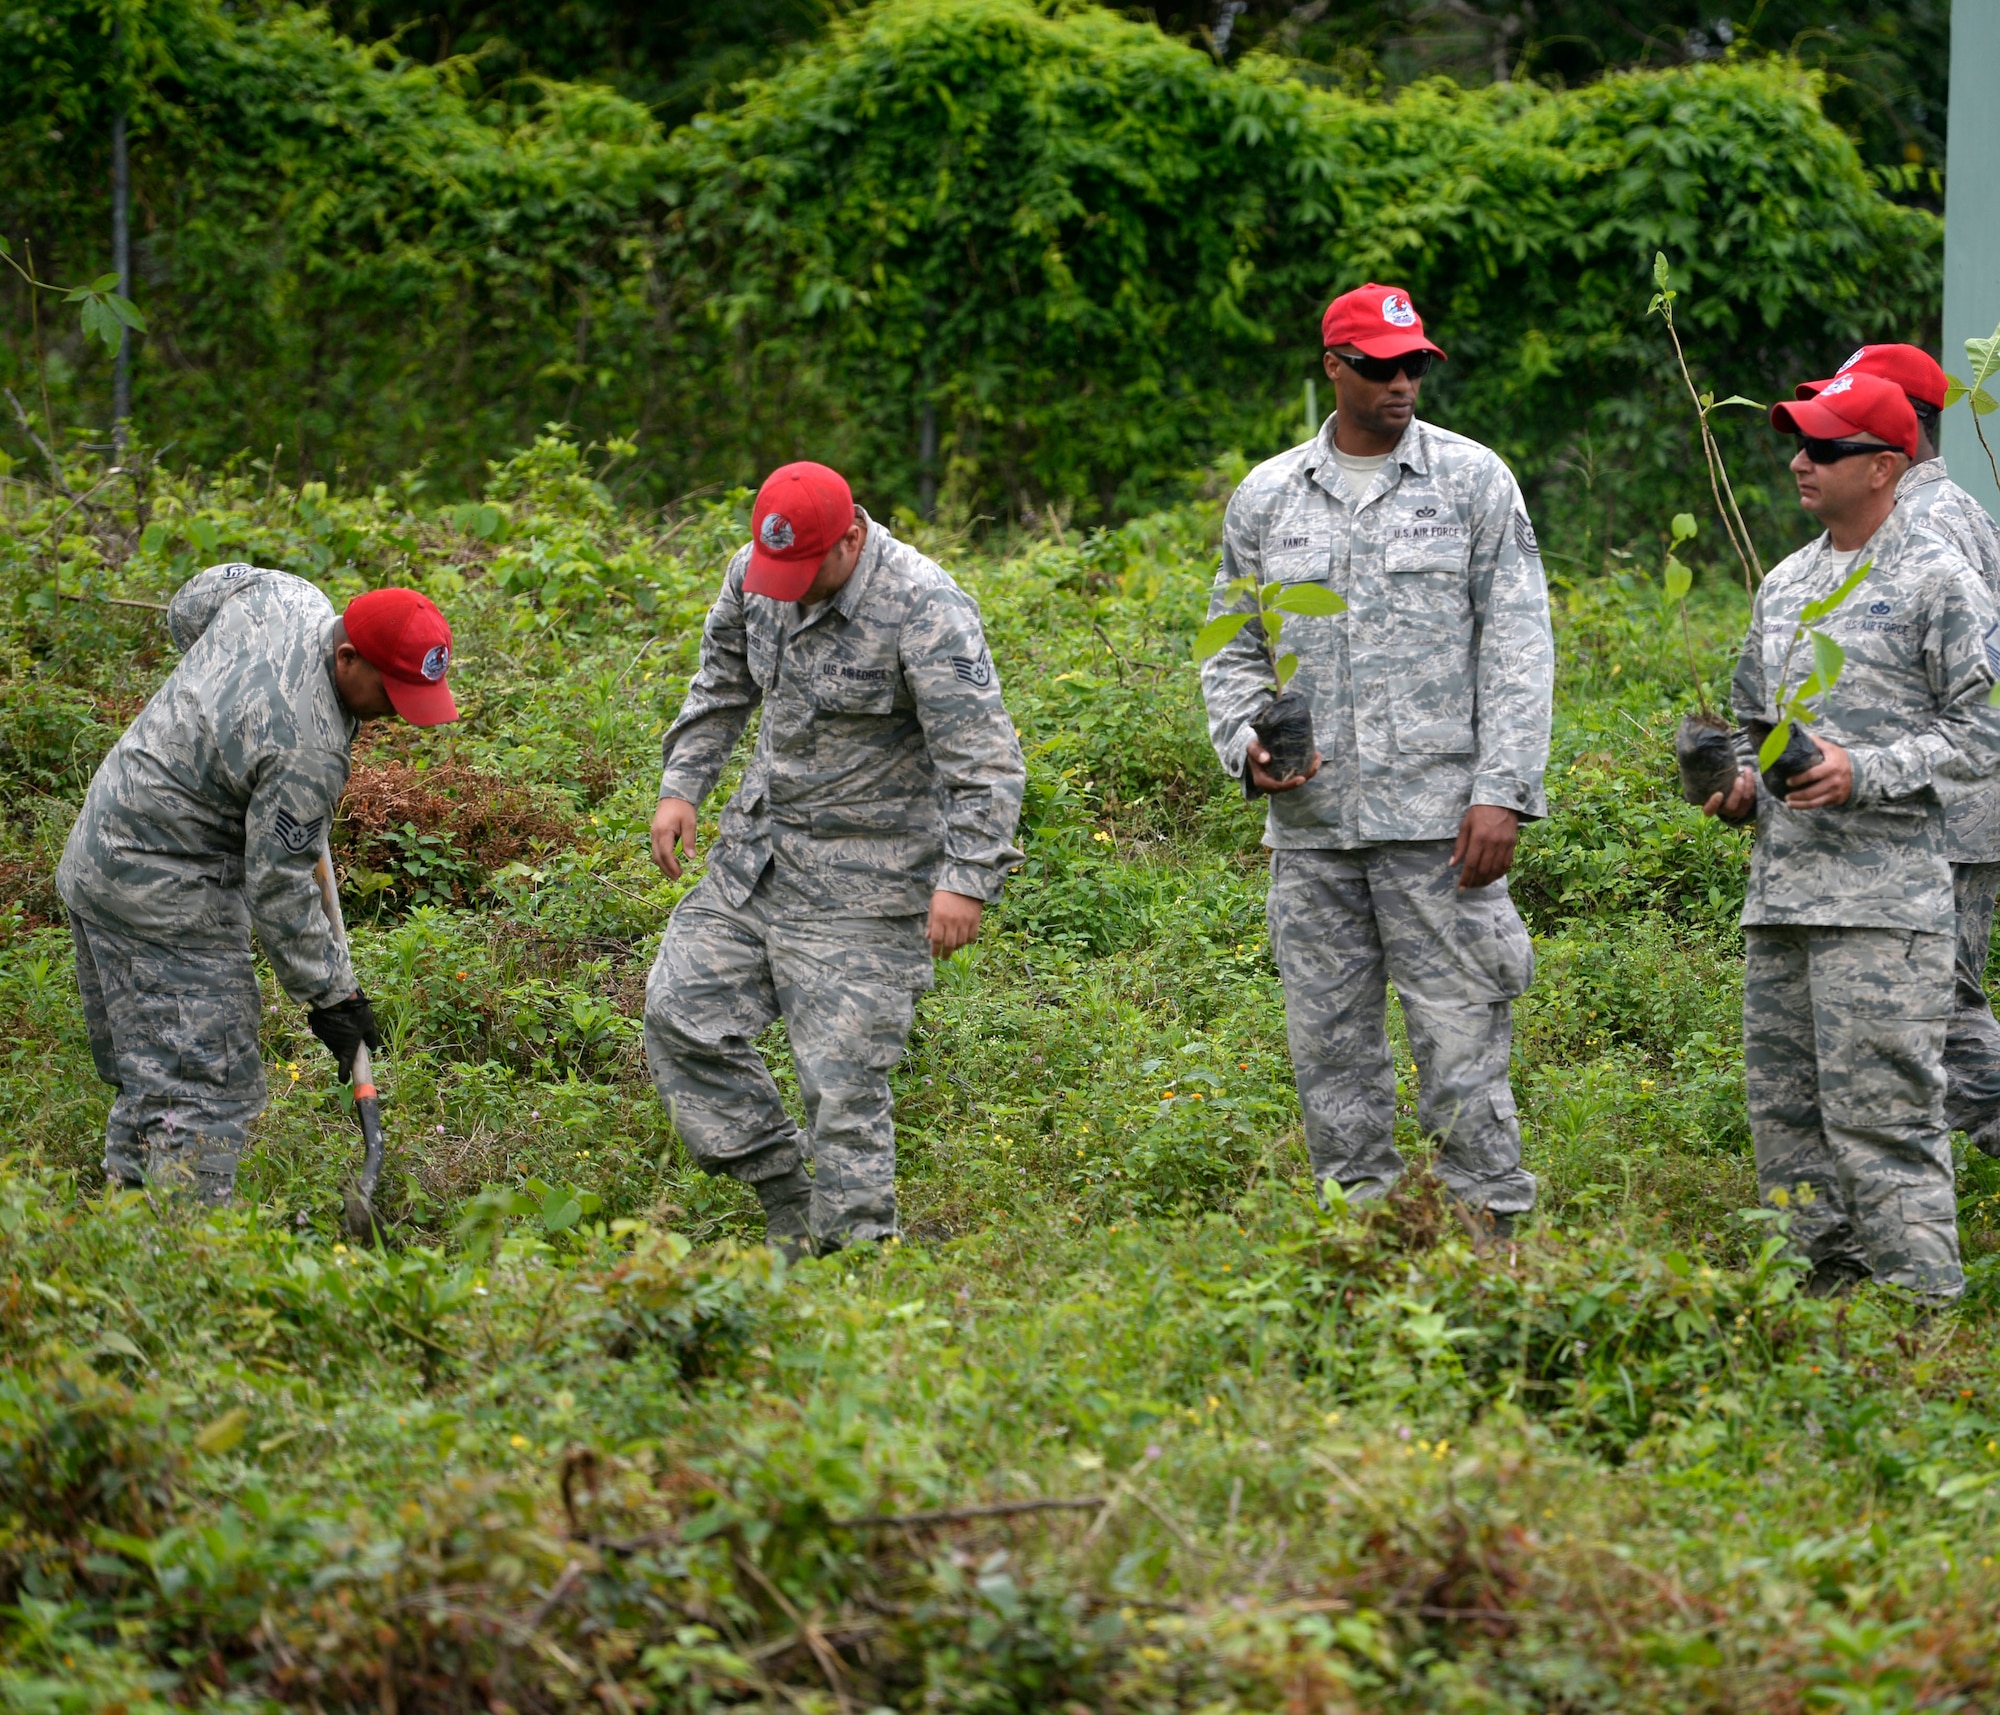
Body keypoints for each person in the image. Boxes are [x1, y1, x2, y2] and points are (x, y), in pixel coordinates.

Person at [1198, 282, 1555, 1229]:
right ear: (1332, 367)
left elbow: (1518, 645)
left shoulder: (1474, 481)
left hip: (1440, 829)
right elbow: (1232, 648)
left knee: (1460, 1044)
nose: (1401, 383)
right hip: (1313, 835)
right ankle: (1361, 1248)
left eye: (1414, 365)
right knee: (1331, 1058)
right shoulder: (1269, 497)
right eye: (1379, 366)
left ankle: (1491, 1246)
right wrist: (1245, 746)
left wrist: (1504, 793)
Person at [643, 461, 1025, 1256]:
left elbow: (983, 760)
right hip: (760, 856)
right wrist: (682, 786)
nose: (785, 587)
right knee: (680, 1013)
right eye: (774, 569)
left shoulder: (924, 605)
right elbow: (721, 682)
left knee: (844, 1087)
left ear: (851, 535)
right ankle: (787, 1193)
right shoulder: (757, 573)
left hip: (869, 881)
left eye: (804, 570)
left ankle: (857, 1269)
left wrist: (966, 879)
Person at [1703, 372, 2000, 1301]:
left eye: (1824, 449)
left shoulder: (1936, 575)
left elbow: (1984, 729)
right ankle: (1819, 1308)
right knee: (1786, 1120)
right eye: (1798, 444)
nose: (1800, 461)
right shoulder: (1788, 583)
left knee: (1886, 1123)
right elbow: (1757, 719)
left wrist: (1864, 771)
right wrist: (1742, 784)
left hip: (1885, 908)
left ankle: (1920, 1315)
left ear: (1883, 465)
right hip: (1783, 901)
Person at [58, 567, 459, 1204]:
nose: (401, 715)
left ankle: (125, 1225)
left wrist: (220, 696)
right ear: (347, 657)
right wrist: (330, 998)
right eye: (393, 691)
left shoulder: (286, 594)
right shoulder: (308, 749)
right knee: (205, 1086)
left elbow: (190, 606)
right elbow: (279, 887)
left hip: (100, 850)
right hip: (165, 894)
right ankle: (186, 1262)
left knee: (156, 1076)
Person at [1796, 346, 2000, 1154]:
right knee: (1942, 998)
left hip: (1940, 806)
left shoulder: (1927, 520)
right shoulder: (1951, 508)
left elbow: (1968, 689)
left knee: (1940, 1009)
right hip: (1945, 801)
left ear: (1899, 429)